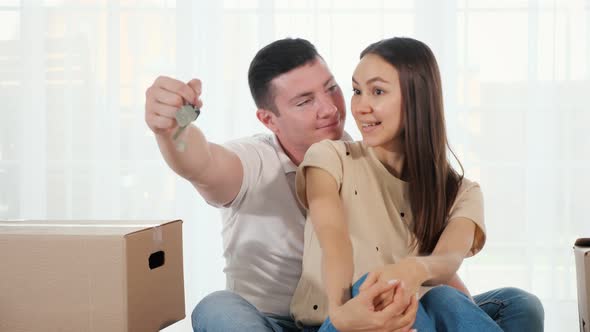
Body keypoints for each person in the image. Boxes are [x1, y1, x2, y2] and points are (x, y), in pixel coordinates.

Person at [144, 37, 544, 331]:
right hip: (279, 321)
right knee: (217, 307)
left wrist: (449, 301)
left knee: (515, 304)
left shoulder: (371, 154)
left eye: (334, 89)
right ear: (268, 119)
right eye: (304, 101)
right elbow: (201, 162)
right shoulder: (259, 160)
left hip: (367, 303)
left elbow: (420, 255)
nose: (332, 109)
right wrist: (171, 128)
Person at [290, 37, 544, 332]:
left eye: (378, 91)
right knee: (386, 291)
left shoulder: (460, 191)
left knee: (518, 304)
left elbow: (448, 259)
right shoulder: (330, 156)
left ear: (416, 98)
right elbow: (333, 237)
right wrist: (341, 313)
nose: (360, 106)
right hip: (339, 319)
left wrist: (414, 269)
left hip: (411, 308)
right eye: (357, 91)